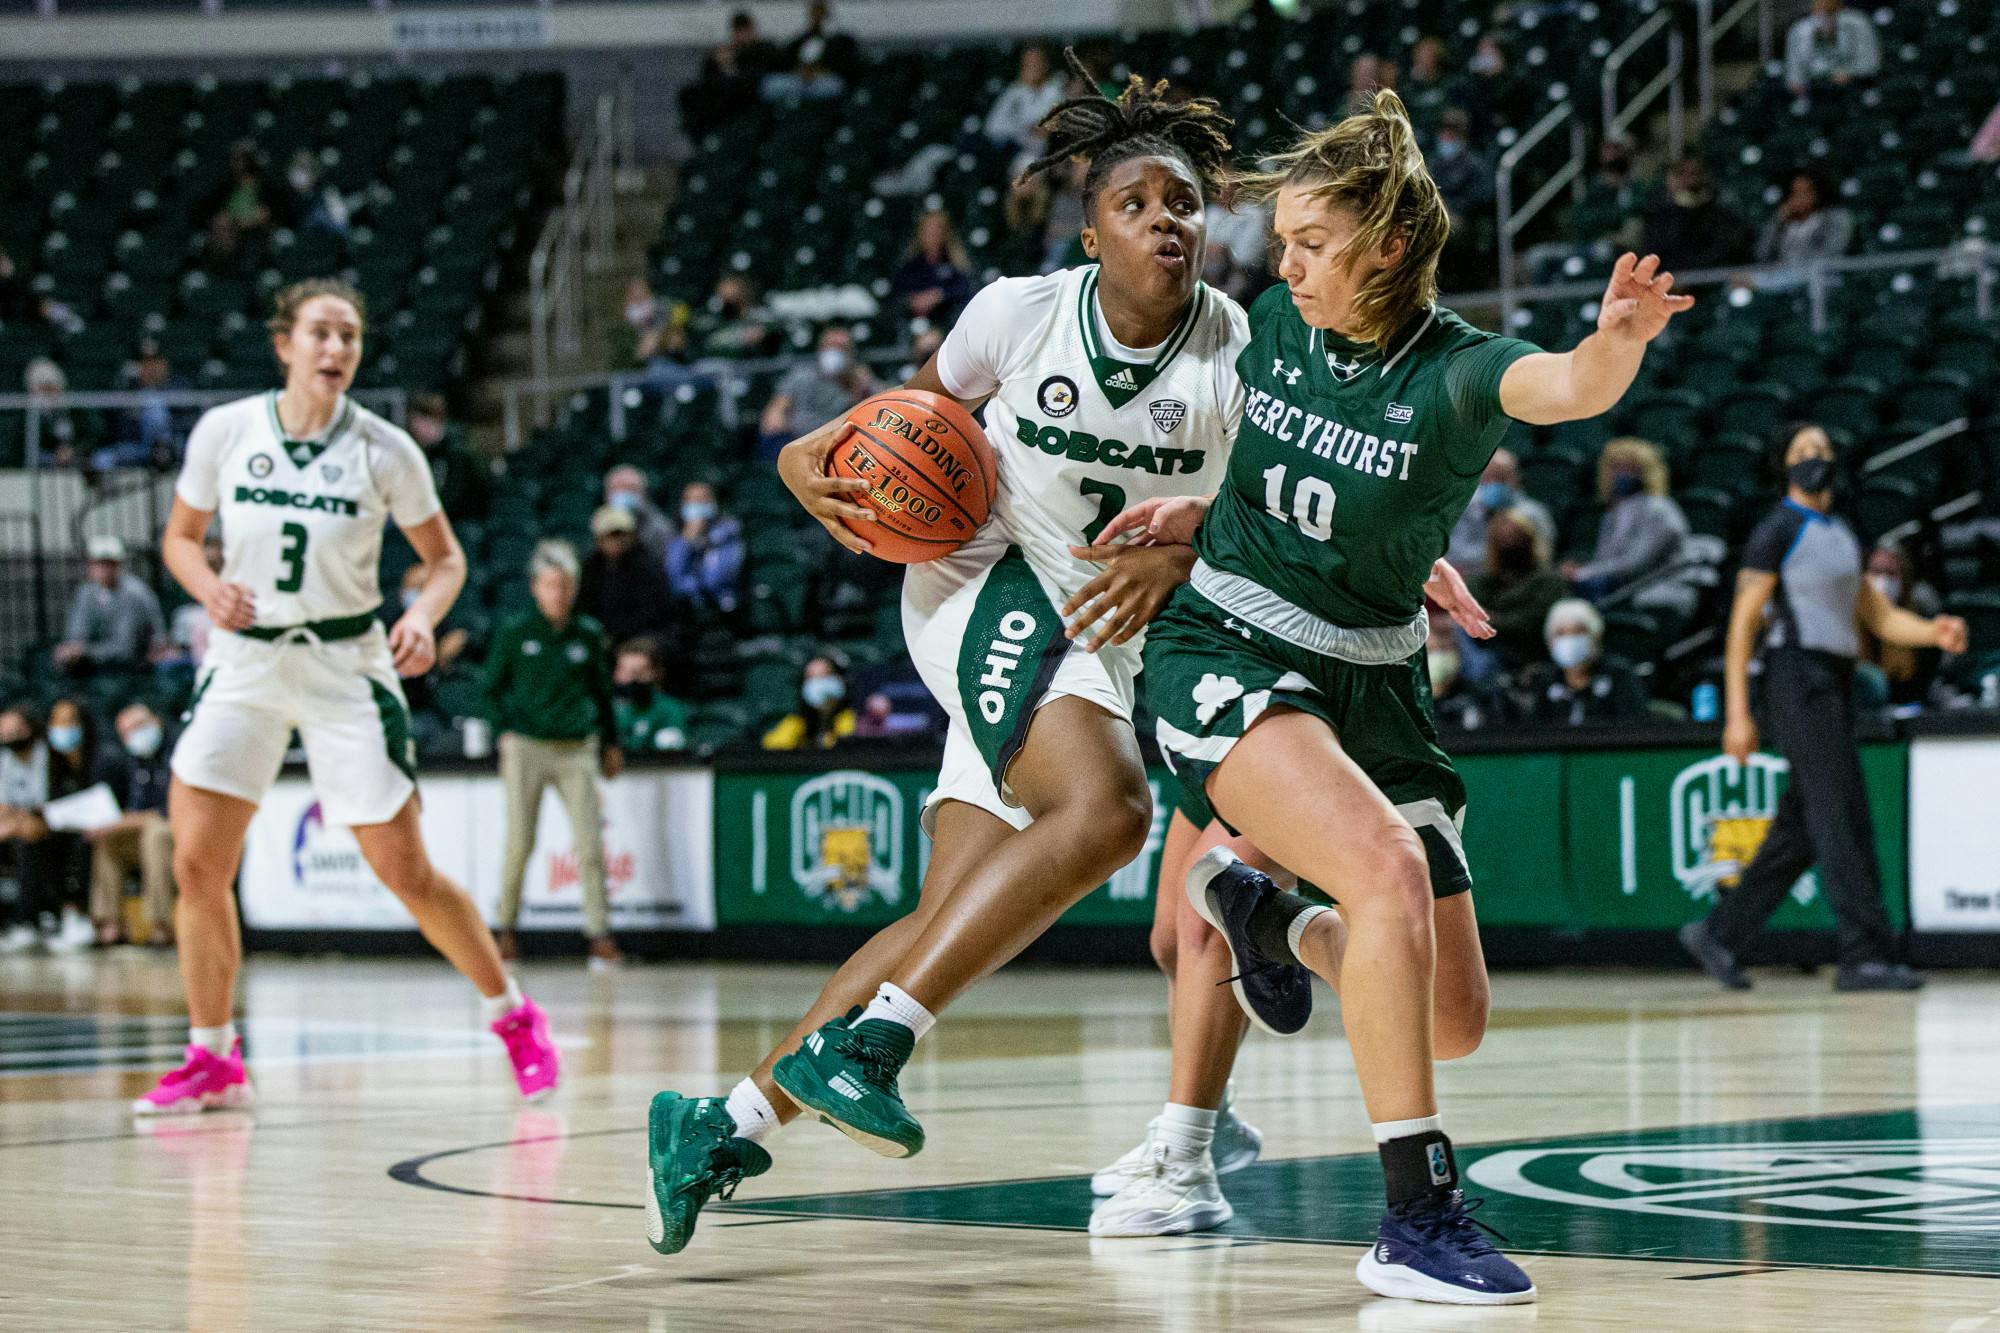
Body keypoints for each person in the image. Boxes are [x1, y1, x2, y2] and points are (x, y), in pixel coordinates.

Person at [644, 56, 1253, 1256]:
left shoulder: (1234, 350)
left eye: (1181, 203)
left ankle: (718, 1122)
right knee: (1107, 811)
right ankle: (868, 1047)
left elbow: (1249, 524)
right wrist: (800, 463)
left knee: (940, 919)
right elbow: (892, 430)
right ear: (1090, 232)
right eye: (1135, 203)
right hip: (987, 585)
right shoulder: (1016, 314)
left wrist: (1182, 562)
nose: (1164, 221)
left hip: (1108, 638)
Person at [1125, 90, 1690, 1303]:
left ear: (1387, 245)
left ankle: (1266, 919)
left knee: (1449, 1017)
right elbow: (1261, 451)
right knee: (1382, 869)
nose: (1281, 263)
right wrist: (1197, 511)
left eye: (1310, 242)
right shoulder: (1273, 322)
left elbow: (1567, 386)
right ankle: (1416, 1214)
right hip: (1221, 639)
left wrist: (1619, 342)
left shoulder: (1457, 373)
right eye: (1279, 241)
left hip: (1376, 674)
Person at [134, 277, 557, 1116]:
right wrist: (206, 585)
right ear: (283, 343)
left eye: (350, 337)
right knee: (195, 863)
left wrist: (425, 616)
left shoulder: (386, 449)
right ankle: (212, 1055)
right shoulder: (227, 430)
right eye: (321, 334)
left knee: (404, 869)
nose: (336, 350)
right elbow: (180, 539)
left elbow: (446, 562)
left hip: (344, 662)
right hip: (245, 662)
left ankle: (513, 1013)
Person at [1681, 425, 1967, 994]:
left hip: (1832, 679)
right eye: (1802, 453)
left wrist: (1934, 631)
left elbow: (1879, 619)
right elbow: (1742, 628)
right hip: (1794, 677)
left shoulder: (1841, 532)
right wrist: (1738, 715)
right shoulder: (1776, 531)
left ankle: (1719, 934)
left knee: (1805, 825)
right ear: (1783, 466)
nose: (1814, 460)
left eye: (1822, 452)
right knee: (1842, 817)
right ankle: (1864, 955)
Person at [483, 539, 624, 971]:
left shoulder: (588, 634)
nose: (557, 593)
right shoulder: (514, 632)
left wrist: (611, 742)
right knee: (520, 842)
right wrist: (502, 730)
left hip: (577, 748)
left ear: (574, 588)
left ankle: (599, 935)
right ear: (535, 587)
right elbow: (488, 688)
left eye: (564, 585)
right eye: (549, 585)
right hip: (526, 746)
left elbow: (603, 694)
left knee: (590, 845)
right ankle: (505, 930)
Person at [88, 703, 177, 948]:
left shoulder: (178, 750)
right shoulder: (133, 760)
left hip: (179, 832)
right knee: (108, 839)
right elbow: (131, 807)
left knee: (155, 834)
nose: (132, 736)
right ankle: (109, 924)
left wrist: (131, 820)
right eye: (125, 732)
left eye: (137, 727)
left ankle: (161, 926)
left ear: (155, 723)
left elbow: (172, 809)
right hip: (145, 831)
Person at [1564, 437, 1692, 604]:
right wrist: (1581, 571)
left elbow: (1636, 563)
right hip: (1621, 586)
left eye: (1631, 468)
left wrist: (1584, 573)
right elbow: (1602, 558)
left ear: (1647, 472)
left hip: (1656, 587)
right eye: (1616, 467)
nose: (1622, 474)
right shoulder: (1613, 512)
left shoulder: (1659, 509)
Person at [1463, 508, 1568, 685]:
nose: (1510, 545)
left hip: (1534, 651)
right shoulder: (1480, 582)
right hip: (1489, 652)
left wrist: (1496, 620)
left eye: (1516, 538)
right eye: (1503, 540)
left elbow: (1540, 619)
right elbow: (1471, 618)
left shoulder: (1549, 581)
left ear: (1530, 540)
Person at [1516, 598, 1650, 725]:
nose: (1569, 639)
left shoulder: (1620, 675)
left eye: (1578, 631)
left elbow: (1635, 725)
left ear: (1595, 636)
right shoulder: (1546, 681)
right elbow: (1534, 732)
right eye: (1561, 633)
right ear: (1550, 642)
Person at [54, 536, 166, 676]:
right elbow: (77, 632)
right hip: (100, 663)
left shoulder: (134, 594)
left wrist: (86, 652)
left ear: (119, 565)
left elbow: (126, 647)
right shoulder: (87, 592)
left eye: (109, 563)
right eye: (98, 563)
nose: (103, 569)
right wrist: (73, 650)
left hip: (136, 666)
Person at [757, 327, 875, 460]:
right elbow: (775, 413)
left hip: (840, 446)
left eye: (841, 347)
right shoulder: (801, 376)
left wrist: (859, 386)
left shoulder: (858, 380)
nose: (834, 352)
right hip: (800, 442)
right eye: (830, 346)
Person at [577, 505, 676, 647]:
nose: (617, 540)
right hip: (601, 637)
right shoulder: (591, 568)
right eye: (610, 535)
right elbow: (585, 608)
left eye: (621, 534)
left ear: (632, 535)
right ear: (599, 539)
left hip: (640, 638)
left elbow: (654, 615)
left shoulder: (648, 567)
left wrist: (619, 636)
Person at [1444, 447, 1553, 573]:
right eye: (1489, 478)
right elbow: (1451, 554)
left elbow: (1543, 558)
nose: (1495, 483)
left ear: (1516, 478)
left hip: (1517, 580)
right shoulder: (1460, 510)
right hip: (1471, 580)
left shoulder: (1534, 514)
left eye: (1502, 478)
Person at [1859, 542, 1943, 705]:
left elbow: (1926, 685)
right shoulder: (1850, 624)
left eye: (1891, 574)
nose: (1883, 581)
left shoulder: (1922, 625)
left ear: (1904, 579)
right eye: (1876, 572)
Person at [680, 10, 779, 138]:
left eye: (744, 31)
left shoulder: (764, 49)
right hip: (722, 92)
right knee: (690, 94)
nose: (741, 36)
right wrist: (718, 61)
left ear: (752, 30)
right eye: (737, 31)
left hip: (746, 94)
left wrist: (732, 66)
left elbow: (756, 75)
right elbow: (707, 76)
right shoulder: (730, 51)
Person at [1642, 157, 1751, 272]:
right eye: (1681, 174)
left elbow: (1727, 253)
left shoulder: (1723, 218)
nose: (1688, 180)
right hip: (1670, 283)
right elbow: (1654, 255)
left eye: (1694, 174)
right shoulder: (1659, 219)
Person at [664, 481, 745, 620]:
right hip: (687, 611)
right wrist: (686, 542)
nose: (696, 506)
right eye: (691, 500)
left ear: (713, 503)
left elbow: (715, 579)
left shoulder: (729, 534)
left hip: (722, 611)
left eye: (701, 500)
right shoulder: (680, 537)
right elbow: (671, 576)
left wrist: (688, 586)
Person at [1755, 167, 1853, 274]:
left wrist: (1792, 265)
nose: (1798, 198)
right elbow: (1761, 253)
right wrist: (1777, 221)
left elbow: (1831, 252)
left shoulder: (1835, 218)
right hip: (1780, 277)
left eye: (1805, 192)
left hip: (1818, 279)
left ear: (1817, 193)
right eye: (1794, 193)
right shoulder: (1785, 221)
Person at [409, 392, 490, 522]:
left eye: (419, 425)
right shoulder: (429, 451)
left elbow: (454, 495)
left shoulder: (458, 450)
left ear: (433, 420)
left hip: (466, 520)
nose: (417, 432)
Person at [984, 43, 1065, 170]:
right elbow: (992, 128)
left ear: (1046, 64)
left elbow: (1046, 129)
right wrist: (1026, 128)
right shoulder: (1014, 91)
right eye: (1028, 64)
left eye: (1036, 63)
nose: (1032, 68)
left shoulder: (1057, 89)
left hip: (1049, 153)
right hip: (1015, 152)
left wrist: (1024, 127)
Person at [761, 0, 858, 105]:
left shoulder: (841, 40)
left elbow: (845, 66)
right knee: (769, 85)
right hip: (800, 80)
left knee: (833, 87)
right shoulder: (803, 39)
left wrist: (818, 72)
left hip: (825, 80)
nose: (817, 18)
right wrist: (800, 71)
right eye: (814, 15)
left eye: (821, 14)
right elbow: (786, 60)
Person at [889, 209, 972, 328]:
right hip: (913, 323)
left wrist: (939, 295)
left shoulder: (956, 263)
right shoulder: (909, 265)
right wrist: (912, 301)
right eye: (928, 230)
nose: (933, 235)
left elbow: (965, 290)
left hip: (946, 321)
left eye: (937, 230)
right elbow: (897, 295)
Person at [1784, 0, 1881, 97]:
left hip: (1853, 85)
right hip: (1814, 88)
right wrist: (1796, 81)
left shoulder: (1858, 22)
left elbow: (1870, 62)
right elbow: (1794, 69)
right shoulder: (1800, 28)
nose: (1822, 4)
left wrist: (1850, 73)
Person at [759, 654, 856, 750]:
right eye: (811, 677)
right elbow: (770, 748)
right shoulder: (796, 722)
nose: (818, 684)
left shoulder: (853, 719)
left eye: (825, 675)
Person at [612, 639, 689, 753]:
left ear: (656, 673)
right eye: (623, 671)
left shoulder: (670, 710)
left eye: (638, 673)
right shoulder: (607, 710)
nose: (630, 679)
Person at [603, 464, 673, 560]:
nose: (622, 493)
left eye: (629, 489)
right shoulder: (602, 523)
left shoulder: (658, 527)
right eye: (616, 488)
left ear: (643, 493)